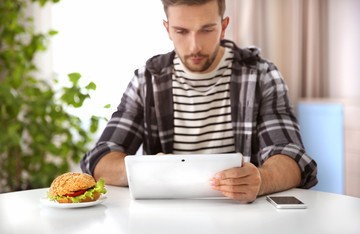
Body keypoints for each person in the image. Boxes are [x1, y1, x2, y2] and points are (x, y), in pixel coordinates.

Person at [80, 0, 317, 203]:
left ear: (223, 27)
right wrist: (148, 168)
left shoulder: (261, 75)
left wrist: (261, 180)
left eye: (206, 30)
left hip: (242, 217)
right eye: (182, 31)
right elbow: (100, 158)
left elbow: (291, 156)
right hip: (163, 220)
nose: (195, 46)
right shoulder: (147, 79)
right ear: (168, 29)